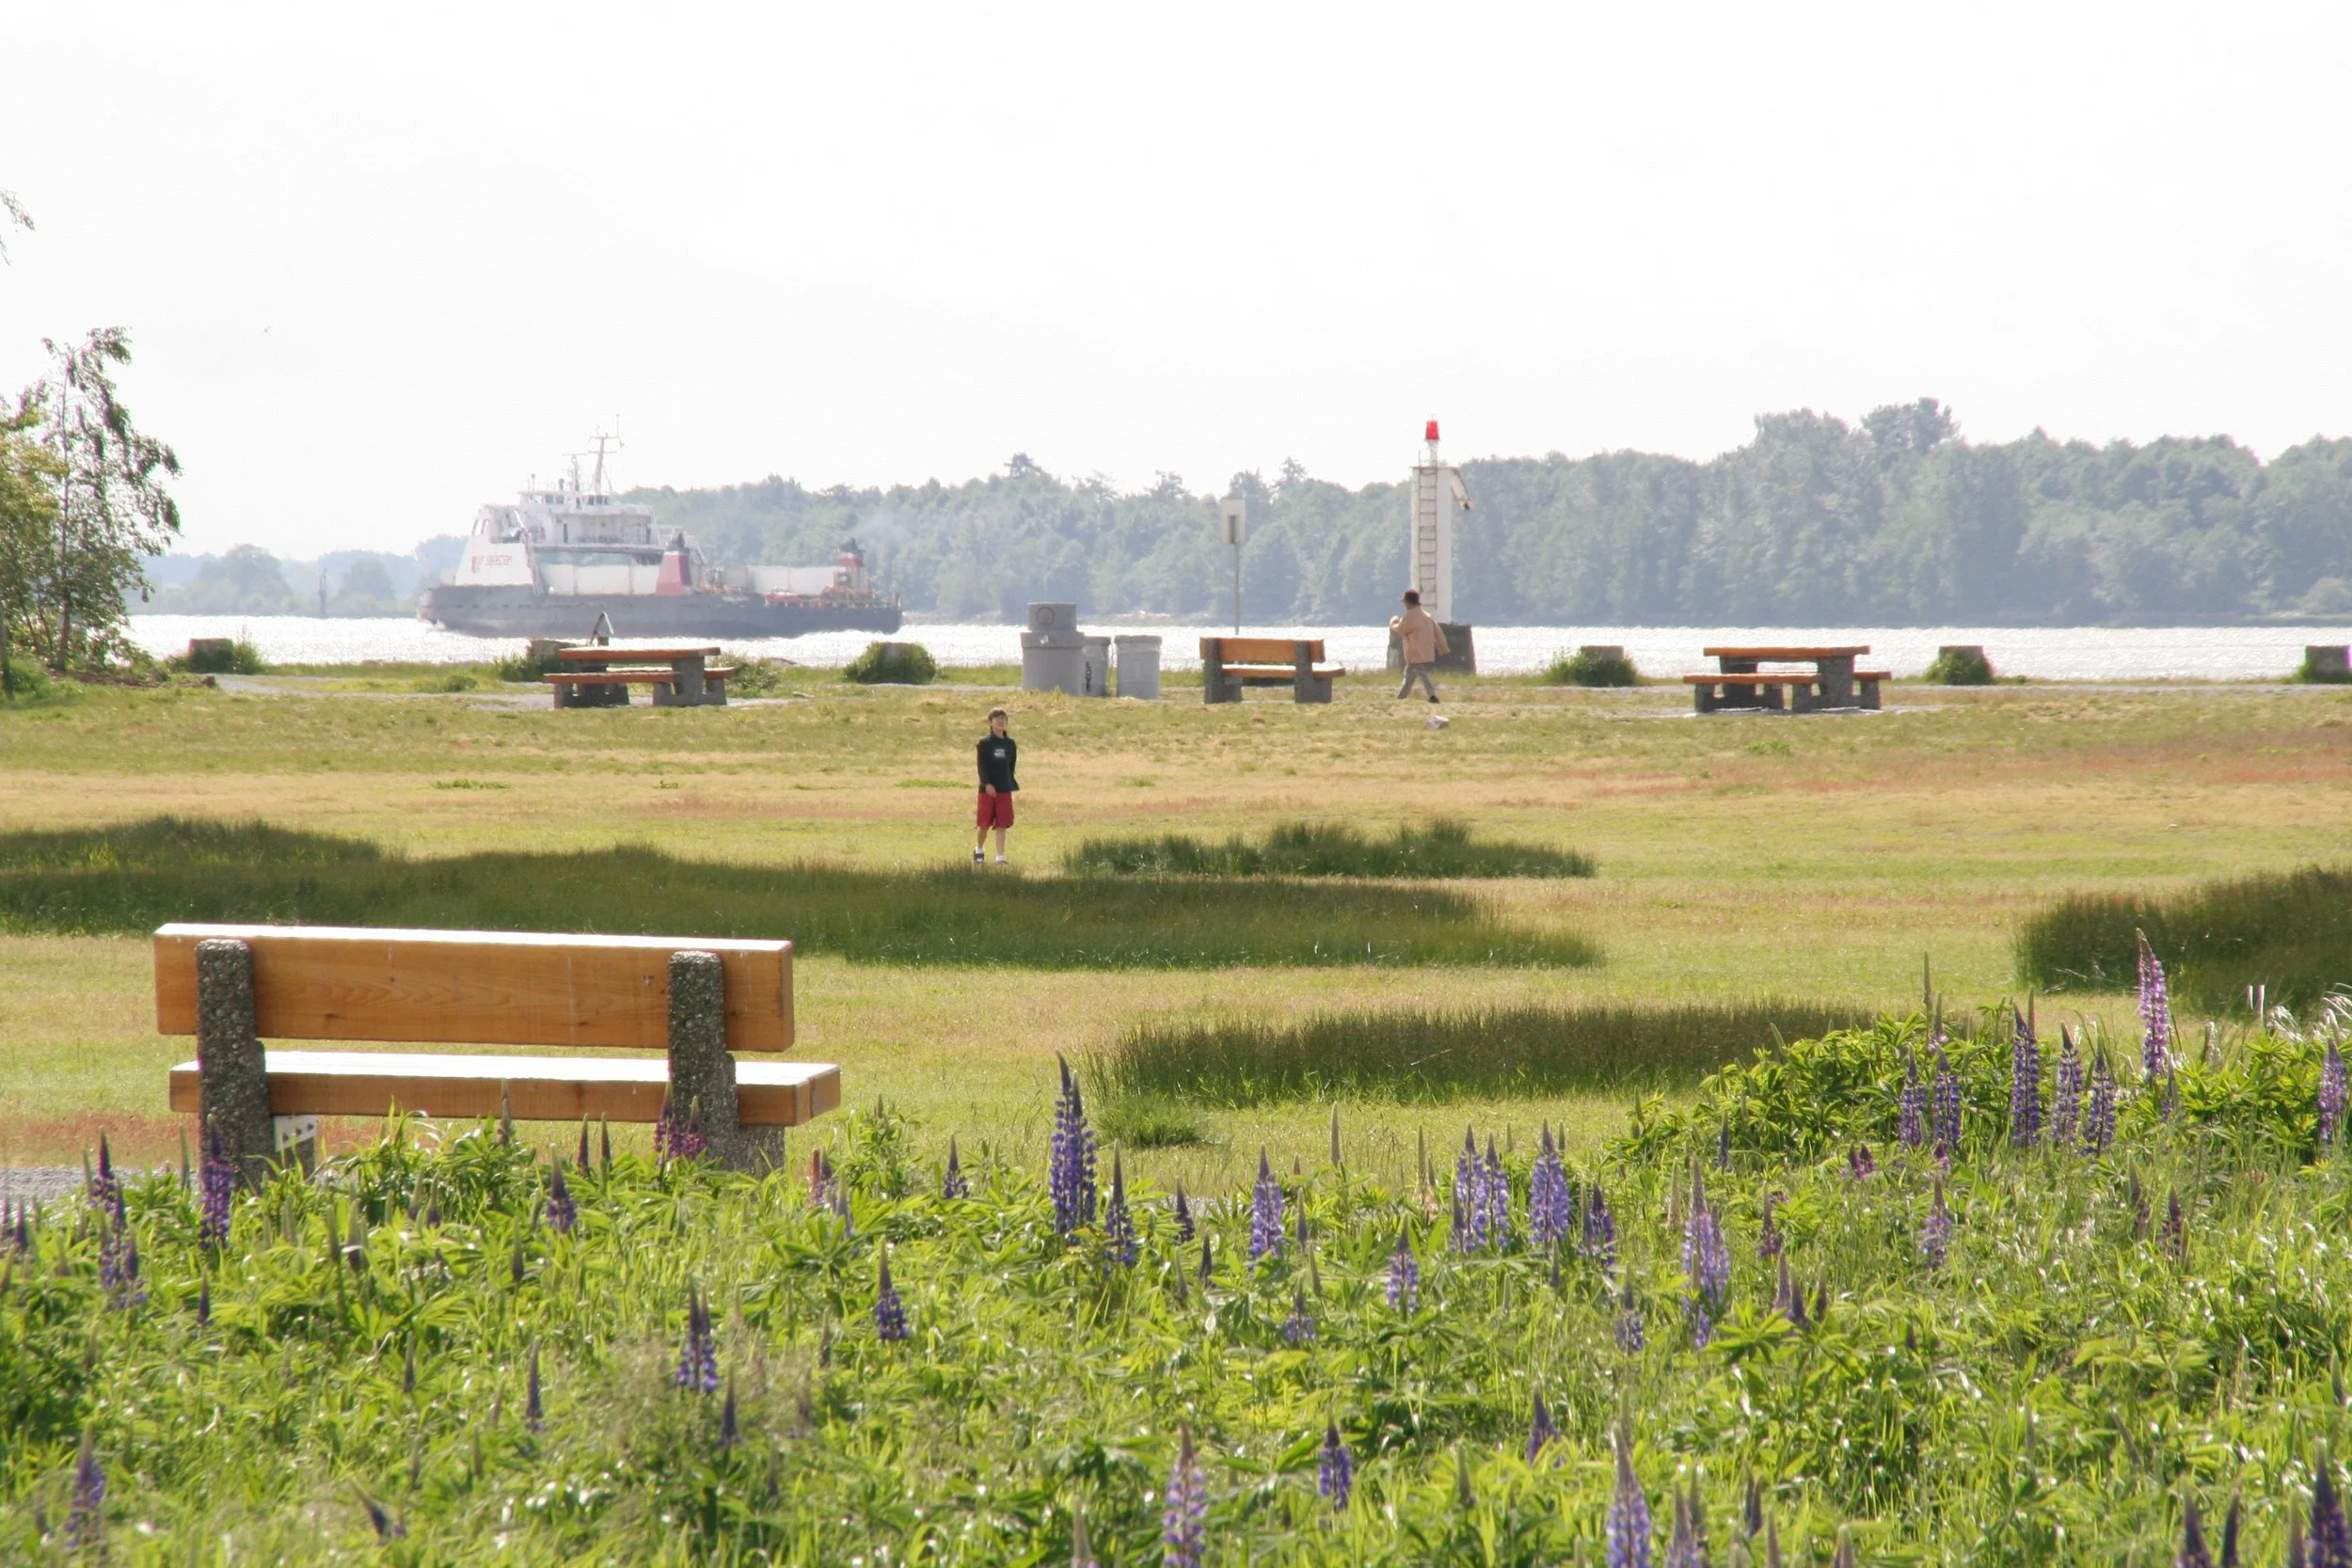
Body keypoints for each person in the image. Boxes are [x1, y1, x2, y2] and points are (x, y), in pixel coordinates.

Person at [974, 706, 1019, 864]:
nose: (1001, 721)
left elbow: (1011, 765)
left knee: (1002, 824)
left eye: (1003, 718)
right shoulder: (984, 744)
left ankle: (1000, 858)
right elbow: (982, 765)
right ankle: (979, 849)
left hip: (1004, 788)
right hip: (987, 790)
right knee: (984, 824)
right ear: (991, 722)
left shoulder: (1010, 744)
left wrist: (1008, 782)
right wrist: (986, 783)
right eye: (997, 718)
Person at [1391, 590, 1449, 702]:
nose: (1405, 605)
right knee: (1409, 675)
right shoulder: (1427, 616)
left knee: (1421, 672)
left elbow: (1402, 629)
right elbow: (1438, 632)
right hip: (1425, 649)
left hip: (1415, 650)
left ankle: (1432, 695)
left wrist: (1393, 624)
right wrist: (1443, 647)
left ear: (1409, 602)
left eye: (1405, 602)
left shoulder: (1410, 615)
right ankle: (1401, 696)